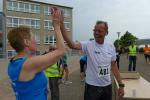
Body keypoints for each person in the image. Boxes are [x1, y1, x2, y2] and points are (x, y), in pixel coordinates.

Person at [59, 10, 124, 100]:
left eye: (99, 31)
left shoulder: (110, 46)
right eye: (95, 30)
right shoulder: (88, 45)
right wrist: (61, 24)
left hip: (107, 86)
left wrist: (121, 84)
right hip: (92, 87)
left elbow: (114, 66)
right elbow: (72, 45)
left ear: (106, 32)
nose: (96, 33)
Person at [7, 8, 66, 100]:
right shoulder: (29, 64)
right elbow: (61, 50)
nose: (36, 41)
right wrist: (56, 26)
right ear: (26, 42)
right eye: (34, 38)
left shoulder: (13, 63)